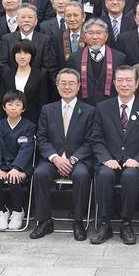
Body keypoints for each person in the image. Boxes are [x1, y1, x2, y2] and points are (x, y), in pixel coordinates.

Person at [90, 65, 139, 245]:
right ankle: (105, 224)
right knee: (104, 174)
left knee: (130, 176)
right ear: (114, 83)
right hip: (109, 160)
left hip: (135, 163)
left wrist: (138, 160)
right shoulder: (103, 107)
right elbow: (96, 138)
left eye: (128, 80)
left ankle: (126, 224)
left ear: (137, 84)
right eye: (120, 80)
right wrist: (106, 159)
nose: (124, 84)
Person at [31, 69, 95, 240]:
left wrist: (72, 159)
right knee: (40, 174)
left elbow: (91, 141)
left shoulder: (89, 110)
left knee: (82, 175)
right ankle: (44, 221)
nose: (67, 87)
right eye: (63, 83)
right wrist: (55, 158)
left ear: (79, 86)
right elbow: (42, 138)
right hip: (53, 159)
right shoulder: (47, 109)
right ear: (57, 85)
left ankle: (78, 221)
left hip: (78, 159)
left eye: (71, 83)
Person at [0, 90, 36, 230]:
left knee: (14, 178)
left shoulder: (29, 126)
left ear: (23, 108)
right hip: (2, 165)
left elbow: (26, 150)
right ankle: (2, 211)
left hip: (22, 167)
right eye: (9, 104)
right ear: (4, 107)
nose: (13, 108)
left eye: (17, 104)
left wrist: (16, 168)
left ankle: (18, 211)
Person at [67, 18, 126, 105]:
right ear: (84, 36)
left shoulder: (119, 58)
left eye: (99, 33)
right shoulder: (75, 57)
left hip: (110, 105)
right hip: (83, 105)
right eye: (90, 33)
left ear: (106, 36)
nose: (95, 37)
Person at [0, 3, 56, 76]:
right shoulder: (7, 39)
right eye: (23, 17)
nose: (26, 20)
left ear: (36, 21)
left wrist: (34, 79)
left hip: (38, 80)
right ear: (17, 20)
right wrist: (14, 78)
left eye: (30, 17)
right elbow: (2, 64)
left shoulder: (45, 40)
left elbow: (47, 65)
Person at [0, 40, 48, 125]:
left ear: (32, 55)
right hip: (9, 121)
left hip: (33, 121)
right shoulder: (7, 74)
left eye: (26, 53)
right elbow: (2, 100)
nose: (22, 56)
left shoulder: (40, 75)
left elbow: (43, 102)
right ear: (14, 55)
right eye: (18, 53)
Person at [43, 1, 86, 77]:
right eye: (68, 16)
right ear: (64, 18)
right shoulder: (57, 38)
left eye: (76, 15)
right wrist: (60, 82)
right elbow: (52, 66)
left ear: (83, 17)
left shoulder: (90, 38)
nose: (72, 19)